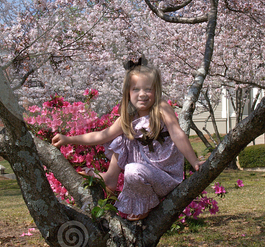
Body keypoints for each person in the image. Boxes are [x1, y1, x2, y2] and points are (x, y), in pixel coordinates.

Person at [52, 58, 204, 221]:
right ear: (128, 93)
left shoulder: (160, 107)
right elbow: (102, 135)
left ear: (157, 90)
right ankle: (110, 177)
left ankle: (147, 203)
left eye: (148, 89)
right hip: (145, 173)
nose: (142, 94)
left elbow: (177, 133)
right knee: (124, 133)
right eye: (136, 89)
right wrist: (68, 139)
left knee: (132, 170)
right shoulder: (130, 117)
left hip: (166, 177)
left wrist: (194, 161)